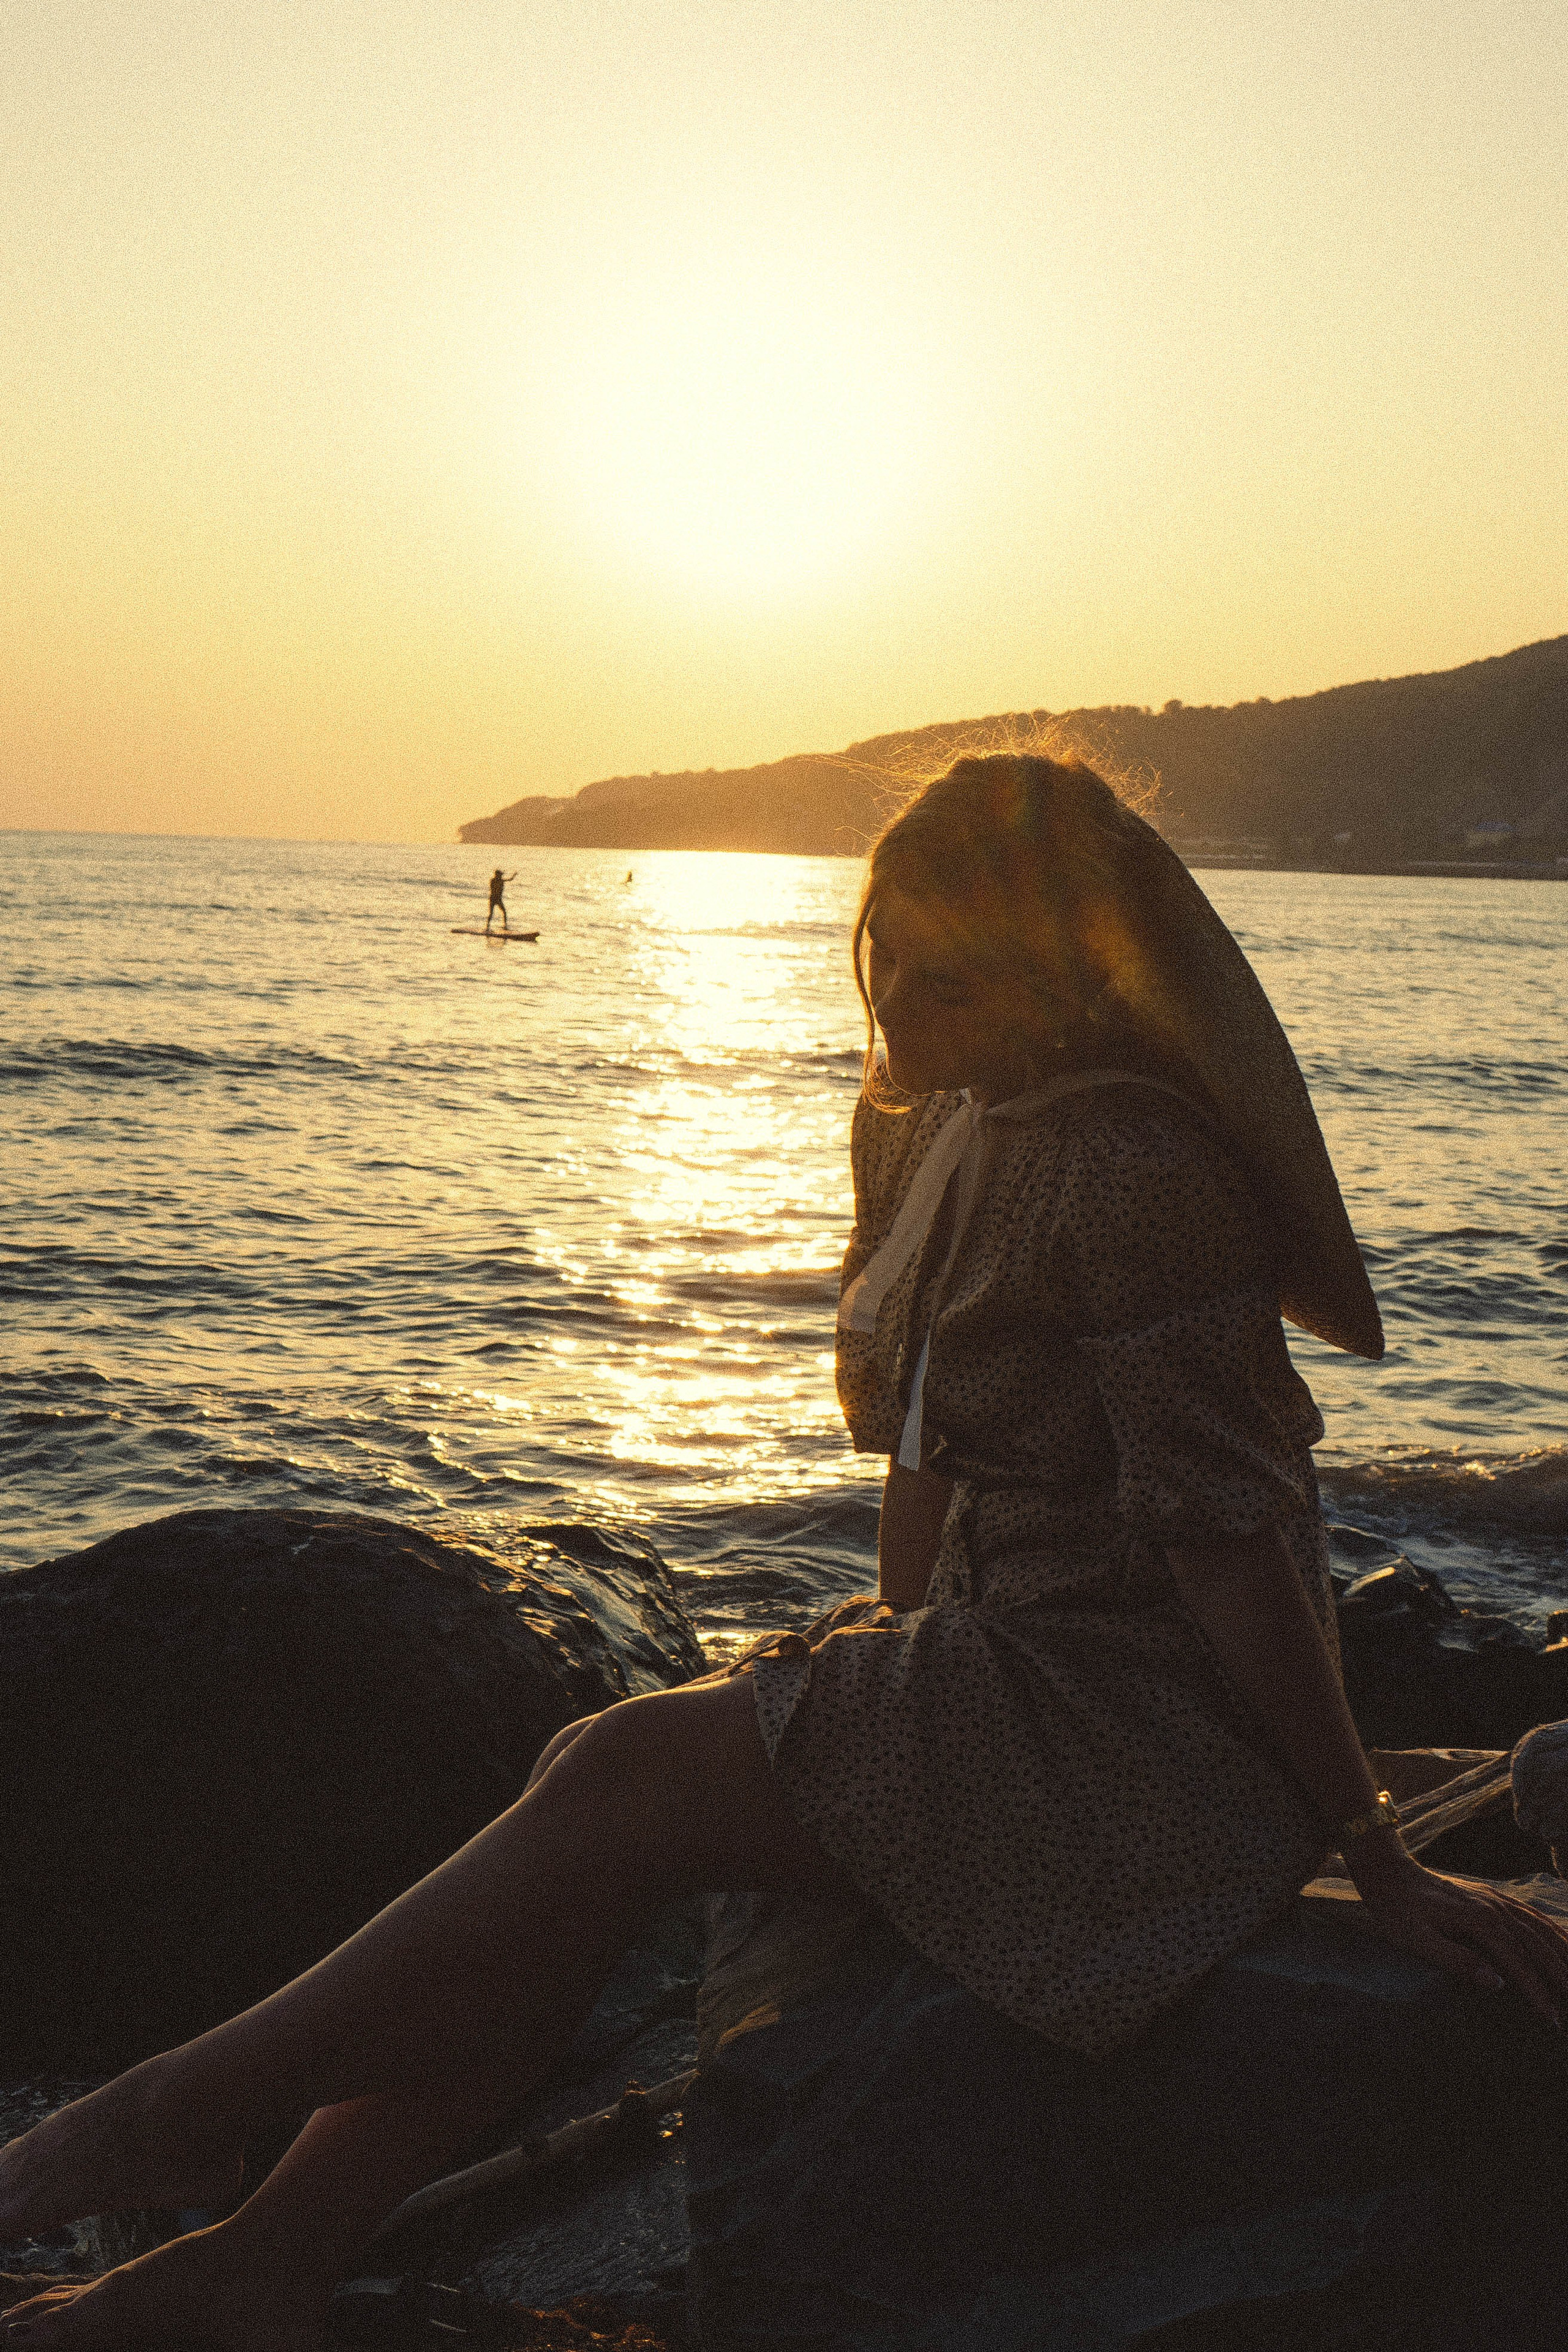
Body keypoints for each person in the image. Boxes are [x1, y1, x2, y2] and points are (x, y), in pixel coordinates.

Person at [4, 753, 1567, 2352]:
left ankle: (149, 2125)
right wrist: (884, 1680)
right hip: (996, 1669)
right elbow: (922, 1460)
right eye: (885, 964)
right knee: (591, 1822)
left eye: (948, 982)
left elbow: (1241, 1535)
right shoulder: (929, 1125)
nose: (901, 1019)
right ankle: (269, 2256)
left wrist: (1372, 1852)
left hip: (1130, 1717)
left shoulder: (1135, 1169)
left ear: (1053, 968)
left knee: (614, 1782)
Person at [484, 869, 516, 934]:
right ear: (497, 875)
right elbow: (493, 888)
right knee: (491, 913)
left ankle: (505, 926)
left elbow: (510, 879)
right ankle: (487, 927)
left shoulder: (501, 880)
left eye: (501, 875)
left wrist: (514, 875)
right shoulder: (493, 881)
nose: (501, 876)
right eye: (500, 875)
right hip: (493, 899)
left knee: (504, 912)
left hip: (499, 899)